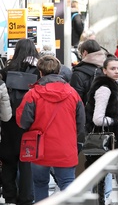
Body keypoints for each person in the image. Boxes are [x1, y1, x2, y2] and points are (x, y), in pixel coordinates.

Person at [16, 55, 85, 202]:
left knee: (40, 184)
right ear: (59, 70)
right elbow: (81, 122)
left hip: (39, 148)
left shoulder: (32, 94)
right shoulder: (73, 94)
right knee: (67, 184)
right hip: (66, 147)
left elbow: (22, 121)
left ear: (40, 72)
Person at [84, 56, 118, 204]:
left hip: (105, 139)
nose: (117, 71)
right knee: (101, 179)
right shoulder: (104, 88)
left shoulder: (112, 86)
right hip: (101, 139)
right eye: (112, 68)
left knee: (103, 176)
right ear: (104, 70)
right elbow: (98, 119)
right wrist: (117, 121)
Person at [0, 39, 39, 205]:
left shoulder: (7, 70)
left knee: (8, 159)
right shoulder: (38, 70)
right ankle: (26, 197)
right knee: (26, 160)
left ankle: (9, 196)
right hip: (28, 121)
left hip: (8, 120)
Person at [70, 39, 106, 104]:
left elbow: (76, 100)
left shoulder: (78, 73)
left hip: (86, 112)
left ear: (84, 53)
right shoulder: (107, 69)